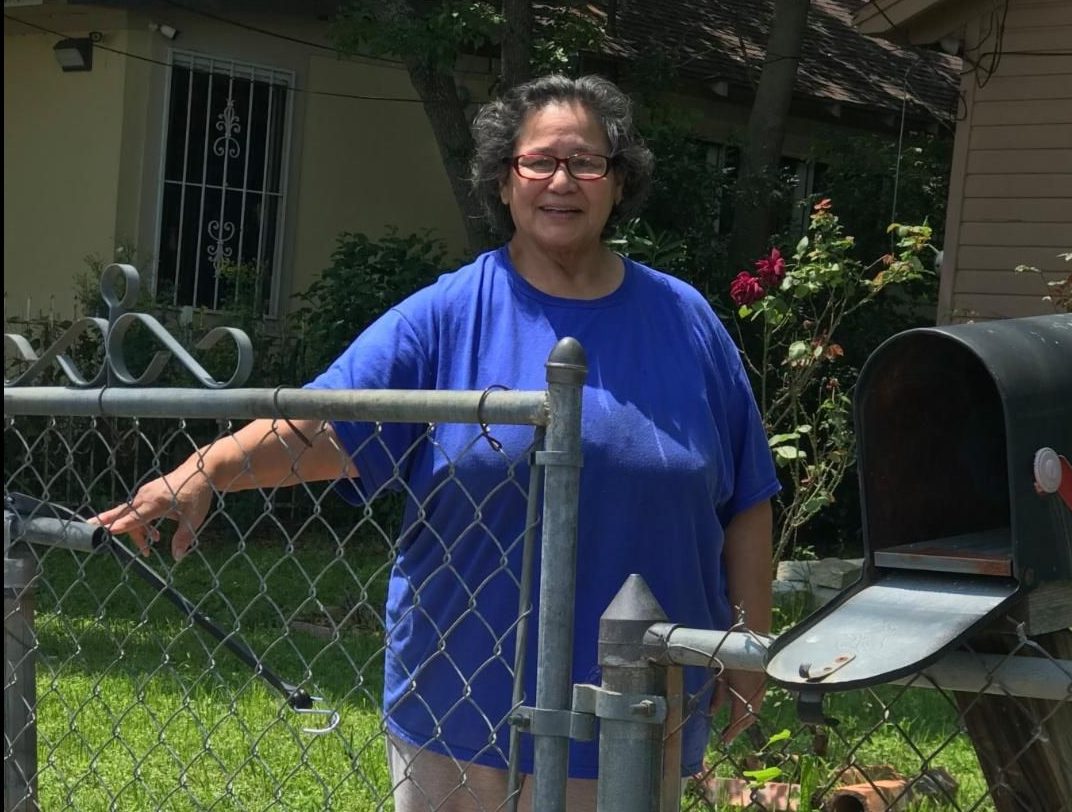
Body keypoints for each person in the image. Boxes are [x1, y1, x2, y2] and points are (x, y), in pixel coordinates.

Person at [93, 74, 780, 811]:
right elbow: (329, 424)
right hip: (465, 719)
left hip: (642, 711)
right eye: (538, 161)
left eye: (586, 162)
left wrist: (745, 653)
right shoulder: (450, 314)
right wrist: (206, 469)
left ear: (618, 182)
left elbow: (747, 500)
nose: (562, 181)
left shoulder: (686, 321)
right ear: (503, 178)